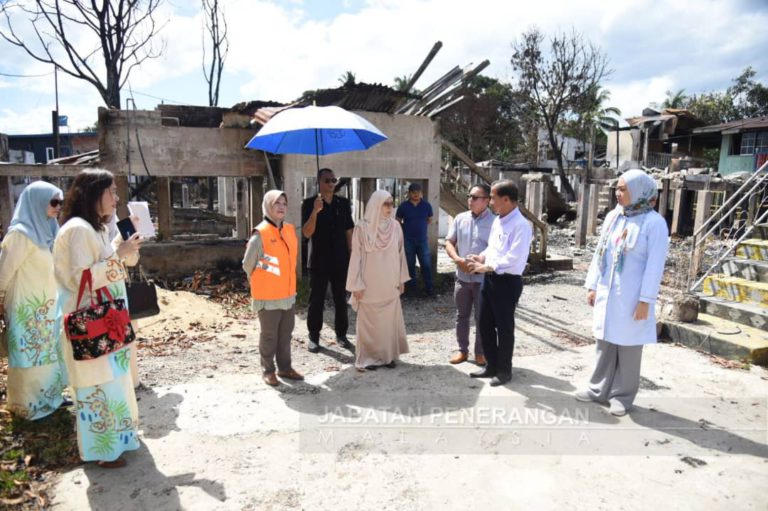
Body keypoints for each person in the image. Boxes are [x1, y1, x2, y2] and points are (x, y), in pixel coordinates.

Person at [53, 169, 143, 468]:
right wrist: (119, 255)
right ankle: (103, 451)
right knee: (96, 385)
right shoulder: (78, 229)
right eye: (112, 191)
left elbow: (118, 263)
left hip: (106, 319)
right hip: (89, 320)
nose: (117, 197)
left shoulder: (98, 228)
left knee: (113, 381)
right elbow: (82, 278)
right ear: (93, 194)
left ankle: (119, 440)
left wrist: (126, 246)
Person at [576, 169, 669, 416]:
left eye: (623, 189)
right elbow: (600, 252)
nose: (618, 193)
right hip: (608, 292)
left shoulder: (654, 223)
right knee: (604, 342)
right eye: (617, 188)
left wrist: (645, 301)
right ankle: (598, 389)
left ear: (639, 191)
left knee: (628, 347)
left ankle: (623, 396)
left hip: (633, 296)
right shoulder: (614, 217)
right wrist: (593, 284)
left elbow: (655, 265)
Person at [0, 181, 66, 419]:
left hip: (49, 304)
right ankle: (27, 405)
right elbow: (3, 271)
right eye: (53, 202)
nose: (58, 207)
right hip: (25, 305)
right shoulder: (20, 234)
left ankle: (52, 398)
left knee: (48, 353)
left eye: (60, 202)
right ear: (36, 201)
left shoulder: (51, 229)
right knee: (28, 354)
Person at [466, 180, 532, 387]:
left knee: (504, 327)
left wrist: (489, 266)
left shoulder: (521, 225)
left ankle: (504, 370)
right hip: (490, 278)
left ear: (506, 199)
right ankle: (491, 365)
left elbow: (515, 257)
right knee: (484, 322)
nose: (490, 202)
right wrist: (481, 258)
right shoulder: (498, 220)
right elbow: (493, 248)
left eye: (493, 198)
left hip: (507, 281)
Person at [243, 190, 304, 387]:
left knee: (286, 334)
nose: (281, 207)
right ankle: (268, 371)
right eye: (276, 203)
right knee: (269, 335)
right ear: (268, 206)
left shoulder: (288, 230)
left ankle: (285, 368)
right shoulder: (260, 234)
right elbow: (247, 264)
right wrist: (264, 277)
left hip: (287, 294)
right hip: (267, 297)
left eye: (284, 203)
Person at [346, 190, 410, 371]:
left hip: (390, 282)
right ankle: (368, 358)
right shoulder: (362, 228)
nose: (390, 207)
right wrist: (356, 284)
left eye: (392, 203)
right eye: (386, 204)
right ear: (376, 204)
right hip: (369, 284)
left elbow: (401, 254)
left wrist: (402, 279)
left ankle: (387, 357)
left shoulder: (396, 227)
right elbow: (356, 257)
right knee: (369, 323)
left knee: (388, 322)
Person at [301, 168, 355, 353]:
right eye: (327, 180)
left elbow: (349, 229)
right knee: (316, 299)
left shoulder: (343, 203)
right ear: (319, 182)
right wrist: (315, 211)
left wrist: (353, 252)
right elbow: (307, 232)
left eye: (333, 180)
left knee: (341, 298)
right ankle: (314, 337)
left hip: (340, 258)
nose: (331, 184)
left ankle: (341, 335)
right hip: (318, 259)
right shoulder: (309, 203)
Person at [445, 183, 495, 366]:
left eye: (475, 197)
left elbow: (496, 249)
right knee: (461, 315)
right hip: (462, 277)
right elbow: (449, 242)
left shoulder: (495, 222)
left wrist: (482, 261)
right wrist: (458, 259)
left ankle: (480, 353)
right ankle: (462, 350)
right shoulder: (460, 218)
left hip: (483, 279)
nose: (470, 200)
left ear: (487, 200)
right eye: (469, 196)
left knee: (482, 317)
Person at [396, 182, 434, 296]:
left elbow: (430, 219)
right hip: (408, 240)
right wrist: (406, 228)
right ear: (409, 193)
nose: (416, 195)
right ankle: (412, 290)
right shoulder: (403, 206)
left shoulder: (427, 205)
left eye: (418, 192)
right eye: (413, 192)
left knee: (426, 265)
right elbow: (397, 221)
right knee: (409, 265)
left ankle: (429, 289)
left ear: (421, 193)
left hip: (422, 240)